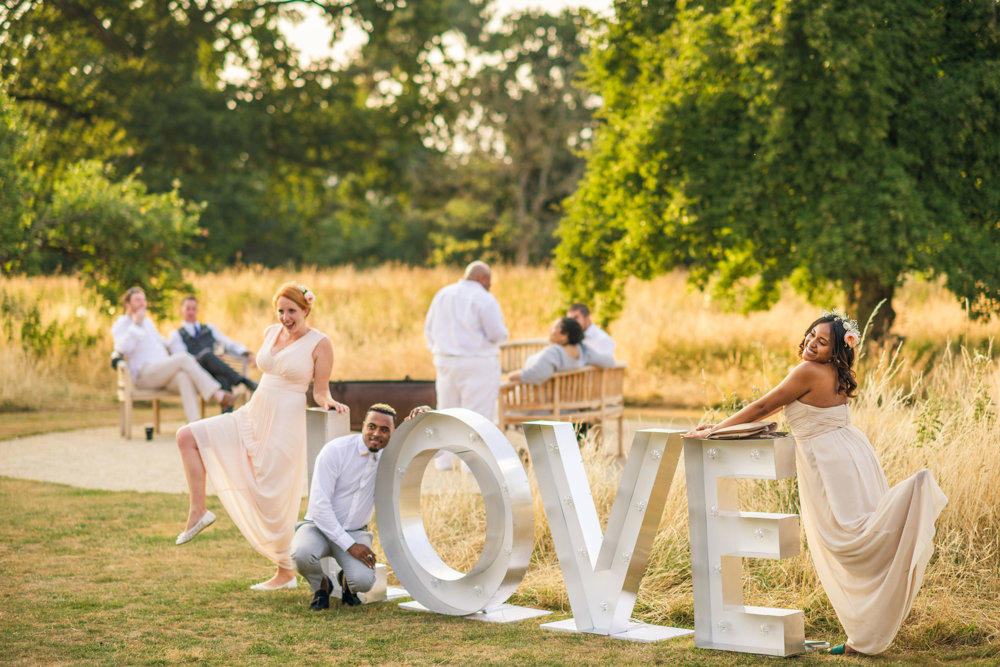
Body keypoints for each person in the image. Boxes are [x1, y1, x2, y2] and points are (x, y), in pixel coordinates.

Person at [686, 311, 948, 655]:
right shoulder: (837, 371)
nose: (811, 343)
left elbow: (765, 404)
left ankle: (915, 493)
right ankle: (863, 636)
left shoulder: (807, 371)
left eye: (822, 341)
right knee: (857, 531)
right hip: (852, 450)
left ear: (836, 349)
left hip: (829, 460)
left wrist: (714, 429)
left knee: (844, 538)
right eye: (811, 335)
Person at [173, 282, 349, 592]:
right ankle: (198, 511)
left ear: (306, 309)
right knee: (187, 436)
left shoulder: (321, 344)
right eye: (280, 311)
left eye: (291, 311)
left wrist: (328, 402)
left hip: (286, 420)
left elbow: (320, 390)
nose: (285, 317)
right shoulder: (271, 332)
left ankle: (285, 571)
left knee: (275, 495)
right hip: (253, 413)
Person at [291, 403, 430, 610]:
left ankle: (347, 581)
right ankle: (321, 585)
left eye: (385, 430)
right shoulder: (335, 451)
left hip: (355, 530)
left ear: (392, 433)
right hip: (318, 527)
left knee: (364, 581)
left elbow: (410, 440)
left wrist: (422, 414)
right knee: (301, 554)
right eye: (372, 426)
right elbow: (319, 508)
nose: (376, 434)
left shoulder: (389, 457)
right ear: (363, 425)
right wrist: (351, 547)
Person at [424, 260, 508, 468]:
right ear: (482, 278)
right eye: (489, 281)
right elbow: (498, 333)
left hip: (445, 362)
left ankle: (444, 463)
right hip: (477, 362)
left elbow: (429, 329)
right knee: (477, 415)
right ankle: (472, 465)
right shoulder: (484, 298)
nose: (490, 286)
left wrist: (439, 350)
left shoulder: (443, 294)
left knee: (446, 412)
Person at [111, 286, 235, 423]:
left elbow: (164, 344)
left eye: (144, 300)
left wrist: (174, 344)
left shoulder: (148, 323)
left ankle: (195, 426)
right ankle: (217, 394)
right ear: (127, 304)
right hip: (144, 375)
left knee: (183, 377)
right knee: (183, 358)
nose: (142, 303)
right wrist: (135, 325)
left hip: (162, 372)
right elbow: (121, 348)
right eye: (138, 300)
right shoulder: (121, 324)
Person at [166, 296, 258, 406]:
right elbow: (181, 358)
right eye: (188, 308)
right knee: (207, 355)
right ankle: (244, 381)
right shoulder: (176, 335)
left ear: (198, 310)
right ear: (181, 310)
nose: (191, 312)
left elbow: (228, 343)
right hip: (195, 374)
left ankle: (226, 419)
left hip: (213, 372)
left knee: (223, 379)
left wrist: (246, 353)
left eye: (193, 308)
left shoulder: (209, 328)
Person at [509, 317, 616, 385]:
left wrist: (513, 375)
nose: (550, 331)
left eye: (554, 328)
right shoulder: (583, 351)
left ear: (565, 336)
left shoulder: (554, 353)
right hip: (569, 406)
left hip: (543, 408)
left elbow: (537, 374)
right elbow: (609, 361)